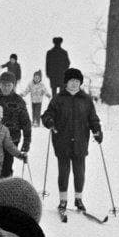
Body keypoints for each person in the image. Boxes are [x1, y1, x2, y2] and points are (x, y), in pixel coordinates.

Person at [41, 68, 102, 217]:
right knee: (64, 171)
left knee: (79, 172)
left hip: (81, 141)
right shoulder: (58, 98)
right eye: (71, 81)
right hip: (62, 139)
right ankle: (63, 200)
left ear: (80, 83)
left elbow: (92, 118)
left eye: (77, 81)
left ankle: (78, 200)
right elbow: (48, 114)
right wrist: (49, 120)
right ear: (66, 82)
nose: (74, 84)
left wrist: (97, 130)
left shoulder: (86, 99)